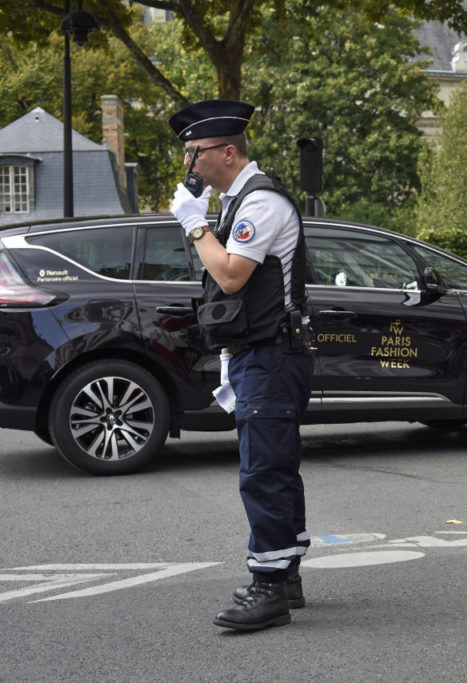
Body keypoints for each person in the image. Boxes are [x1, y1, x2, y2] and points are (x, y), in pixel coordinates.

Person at [168, 99, 314, 631]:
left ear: (227, 152)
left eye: (195, 153)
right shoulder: (240, 201)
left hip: (274, 356)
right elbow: (241, 296)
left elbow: (230, 275)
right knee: (276, 468)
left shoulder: (260, 203)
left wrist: (194, 225)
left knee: (264, 473)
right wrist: (231, 355)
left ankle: (269, 588)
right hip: (262, 353)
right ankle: (286, 574)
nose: (190, 165)